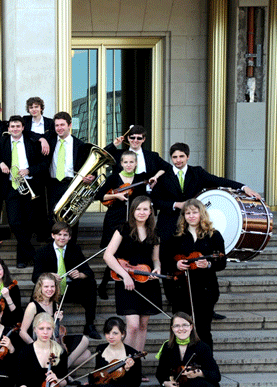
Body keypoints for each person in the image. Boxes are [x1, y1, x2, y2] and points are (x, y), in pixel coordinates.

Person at [152, 142, 261, 240]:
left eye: (181, 156)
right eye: (175, 157)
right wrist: (176, 204)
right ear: (171, 158)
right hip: (168, 224)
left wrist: (244, 187)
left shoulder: (197, 172)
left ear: (188, 156)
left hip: (193, 225)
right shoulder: (163, 176)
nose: (178, 160)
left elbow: (219, 181)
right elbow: (155, 201)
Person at [161, 199, 227, 345]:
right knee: (181, 330)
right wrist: (176, 264)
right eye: (187, 213)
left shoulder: (214, 235)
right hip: (181, 291)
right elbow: (165, 260)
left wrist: (209, 264)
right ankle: (182, 363)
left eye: (194, 212)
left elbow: (222, 262)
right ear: (183, 215)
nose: (191, 216)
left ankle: (205, 364)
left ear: (201, 214)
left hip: (205, 289)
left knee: (203, 329)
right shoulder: (176, 237)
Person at [103, 195, 163, 353]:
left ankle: (137, 365)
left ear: (150, 212)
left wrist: (157, 269)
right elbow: (108, 255)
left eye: (145, 209)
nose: (142, 212)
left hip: (148, 281)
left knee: (143, 326)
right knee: (133, 326)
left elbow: (156, 259)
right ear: (133, 211)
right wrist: (125, 275)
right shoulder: (123, 228)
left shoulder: (154, 232)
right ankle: (126, 362)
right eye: (138, 209)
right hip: (127, 281)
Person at [0, 116, 47, 267]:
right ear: (8, 128)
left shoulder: (32, 141)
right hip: (11, 187)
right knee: (14, 222)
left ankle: (21, 259)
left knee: (28, 222)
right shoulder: (3, 142)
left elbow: (44, 163)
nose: (14, 129)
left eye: (17, 126)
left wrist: (29, 170)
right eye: (12, 126)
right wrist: (0, 163)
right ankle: (33, 255)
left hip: (29, 185)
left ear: (23, 127)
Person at [156, 312, 222, 387]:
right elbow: (160, 373)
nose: (181, 329)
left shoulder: (202, 347)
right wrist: (166, 383)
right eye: (177, 326)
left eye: (185, 325)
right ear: (172, 329)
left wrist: (199, 373)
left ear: (191, 327)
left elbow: (216, 375)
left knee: (197, 384)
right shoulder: (168, 347)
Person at [32, 222, 99, 339]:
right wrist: (49, 276)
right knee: (38, 289)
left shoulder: (75, 249)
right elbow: (35, 277)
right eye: (59, 234)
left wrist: (80, 274)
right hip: (52, 290)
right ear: (53, 235)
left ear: (70, 237)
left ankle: (89, 325)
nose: (62, 238)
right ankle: (36, 325)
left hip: (70, 288)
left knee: (91, 284)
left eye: (65, 235)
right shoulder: (43, 251)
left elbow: (89, 272)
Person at [95, 150, 147, 298]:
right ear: (121, 163)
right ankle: (104, 285)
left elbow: (143, 198)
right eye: (126, 162)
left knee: (123, 254)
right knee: (114, 253)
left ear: (136, 163)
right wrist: (116, 195)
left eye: (132, 162)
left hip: (132, 221)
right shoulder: (113, 178)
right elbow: (99, 195)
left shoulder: (140, 179)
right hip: (114, 219)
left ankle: (121, 280)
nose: (129, 165)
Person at [19, 272, 89, 367]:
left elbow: (55, 331)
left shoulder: (55, 304)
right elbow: (22, 332)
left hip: (54, 341)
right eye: (46, 286)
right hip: (39, 341)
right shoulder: (33, 306)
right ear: (40, 288)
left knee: (86, 350)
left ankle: (62, 368)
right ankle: (61, 371)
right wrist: (34, 346)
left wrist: (58, 320)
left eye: (52, 286)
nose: (50, 289)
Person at [45, 111, 94, 237]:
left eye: (62, 125)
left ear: (70, 125)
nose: (59, 128)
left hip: (71, 184)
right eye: (57, 125)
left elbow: (88, 166)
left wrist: (90, 176)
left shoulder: (80, 145)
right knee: (53, 217)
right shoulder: (49, 141)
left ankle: (71, 248)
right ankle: (56, 247)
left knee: (71, 217)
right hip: (53, 184)